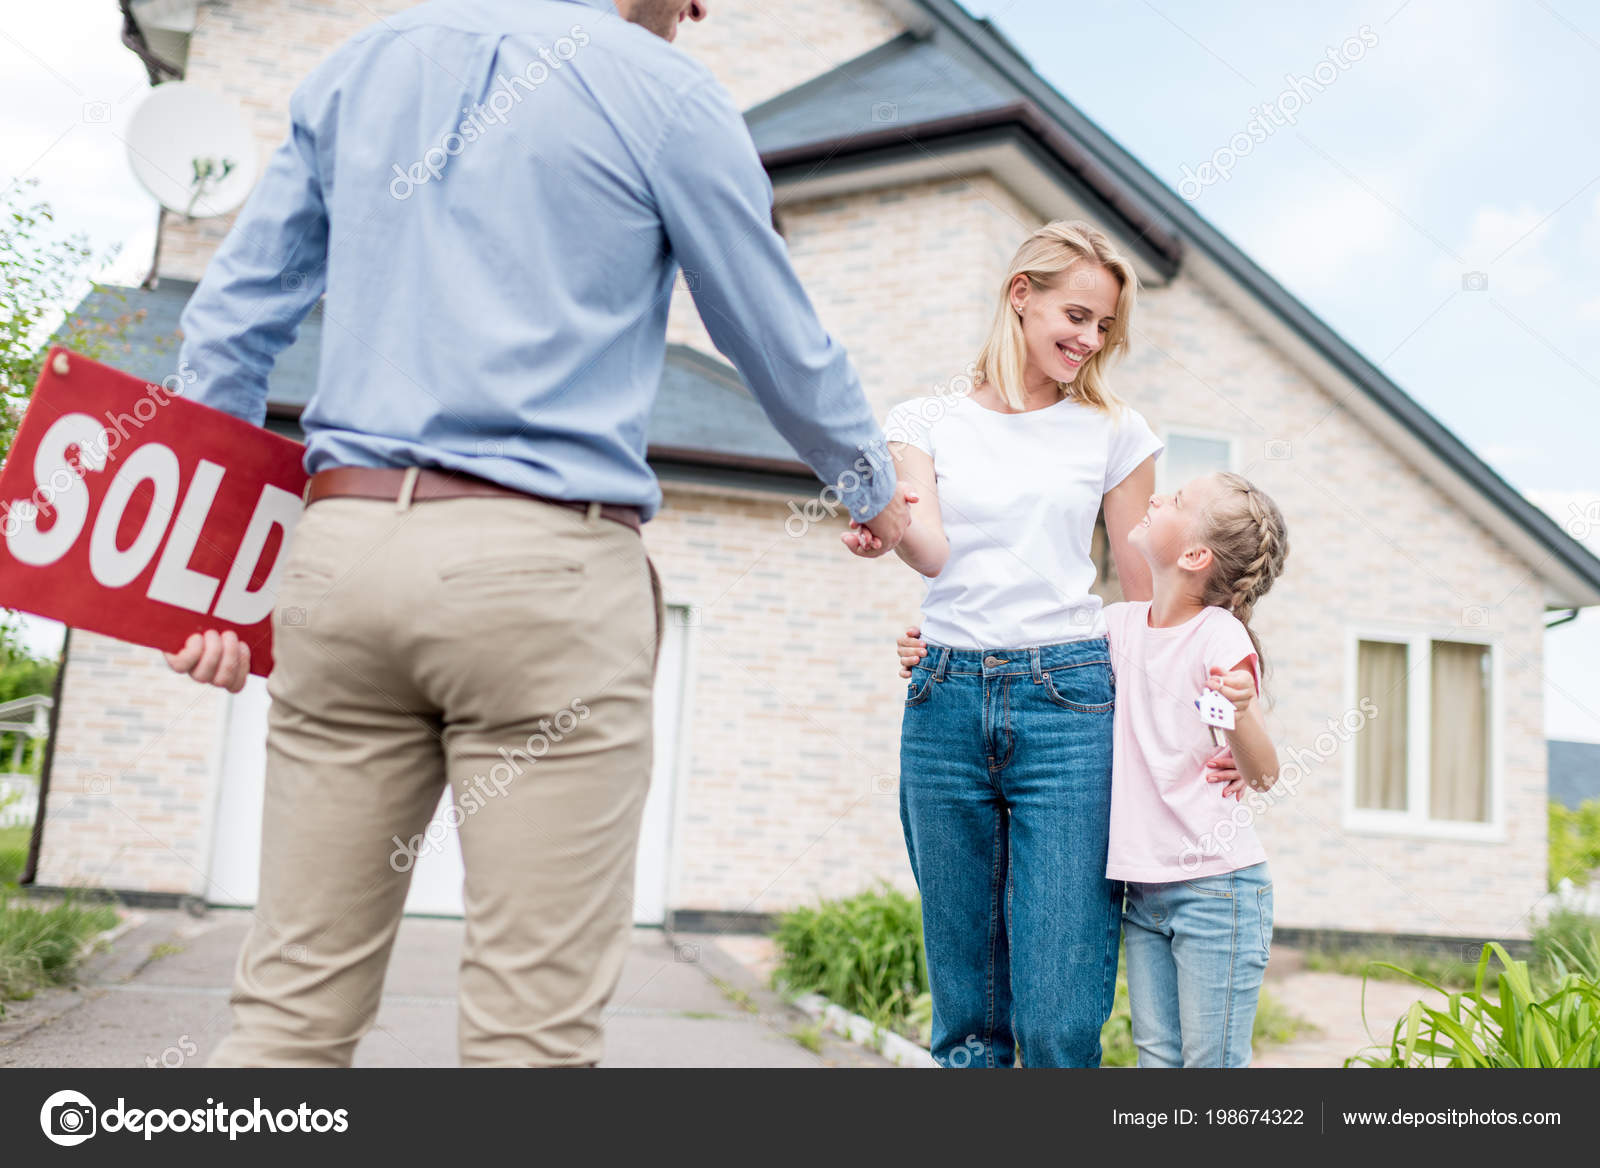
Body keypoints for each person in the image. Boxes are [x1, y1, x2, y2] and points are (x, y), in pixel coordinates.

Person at [162, 0, 910, 1067]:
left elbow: (226, 329)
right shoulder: (667, 92)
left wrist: (206, 580)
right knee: (530, 1043)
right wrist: (879, 491)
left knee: (284, 1021)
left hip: (343, 556)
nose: (699, 9)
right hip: (542, 574)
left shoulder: (358, 66)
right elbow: (776, 337)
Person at [848, 219, 1179, 1067]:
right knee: (968, 1023)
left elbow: (1145, 596)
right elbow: (931, 548)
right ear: (1020, 296)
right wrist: (885, 526)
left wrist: (1191, 722)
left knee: (1061, 1022)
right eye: (1077, 314)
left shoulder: (1114, 431)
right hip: (945, 696)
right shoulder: (925, 419)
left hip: (1070, 704)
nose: (1090, 339)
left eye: (1105, 326)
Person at [1102, 471, 1288, 1067]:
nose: (1155, 496)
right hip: (1143, 889)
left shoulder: (1218, 636)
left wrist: (1238, 716)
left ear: (1194, 555)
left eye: (1175, 499)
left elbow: (1262, 775)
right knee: (1157, 1060)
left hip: (1218, 889)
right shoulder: (1117, 626)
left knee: (1210, 1068)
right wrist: (937, 643)